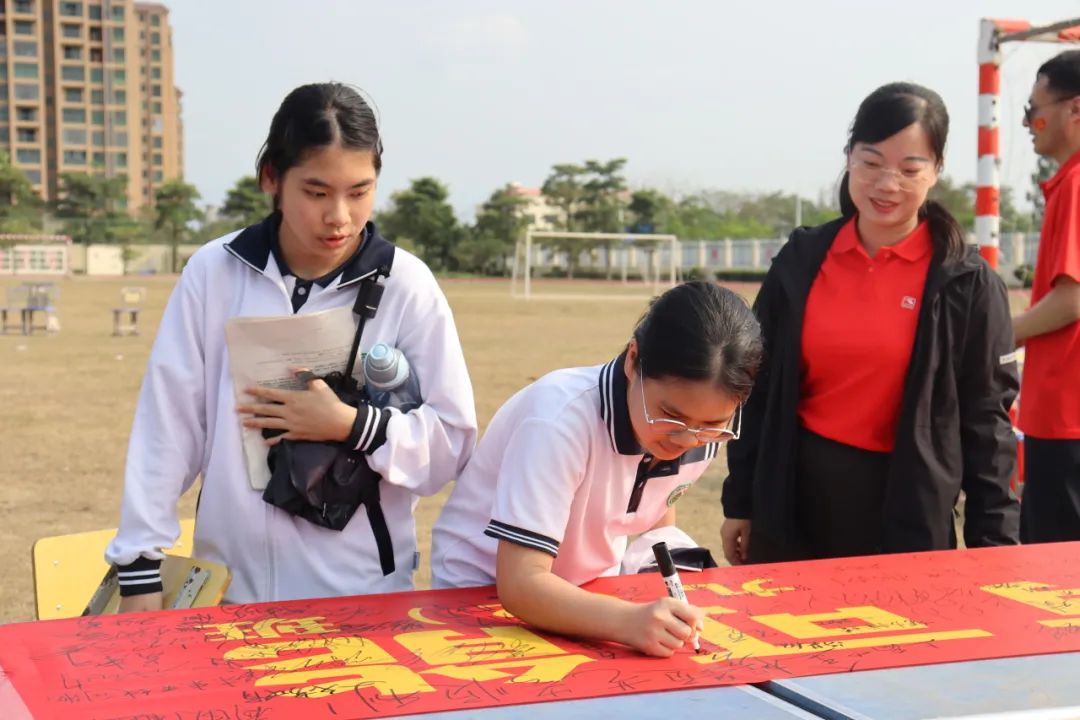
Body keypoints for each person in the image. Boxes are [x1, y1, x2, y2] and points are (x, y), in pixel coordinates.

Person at [105, 83, 477, 610]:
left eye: (360, 191)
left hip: (360, 598)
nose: (340, 217)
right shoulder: (215, 272)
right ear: (271, 179)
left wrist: (353, 425)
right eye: (317, 192)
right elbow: (169, 423)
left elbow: (451, 447)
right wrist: (140, 567)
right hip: (228, 591)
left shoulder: (406, 285)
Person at [721, 82, 1020, 565]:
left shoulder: (966, 283)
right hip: (794, 501)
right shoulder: (800, 260)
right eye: (872, 162)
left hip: (907, 510)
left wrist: (995, 546)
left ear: (937, 170)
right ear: (849, 158)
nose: (887, 184)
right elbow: (756, 387)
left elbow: (988, 424)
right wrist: (742, 501)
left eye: (909, 168)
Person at [432, 282, 762, 657]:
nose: (688, 441)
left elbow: (653, 505)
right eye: (671, 416)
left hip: (585, 595)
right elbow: (520, 584)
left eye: (713, 423)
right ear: (634, 360)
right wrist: (629, 621)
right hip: (479, 600)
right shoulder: (558, 420)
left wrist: (676, 568)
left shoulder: (700, 429)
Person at [1013, 50, 1080, 543]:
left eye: (1034, 109)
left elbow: (1071, 300)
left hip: (1067, 417)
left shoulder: (1077, 183)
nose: (1027, 122)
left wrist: (992, 332)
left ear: (1074, 111)